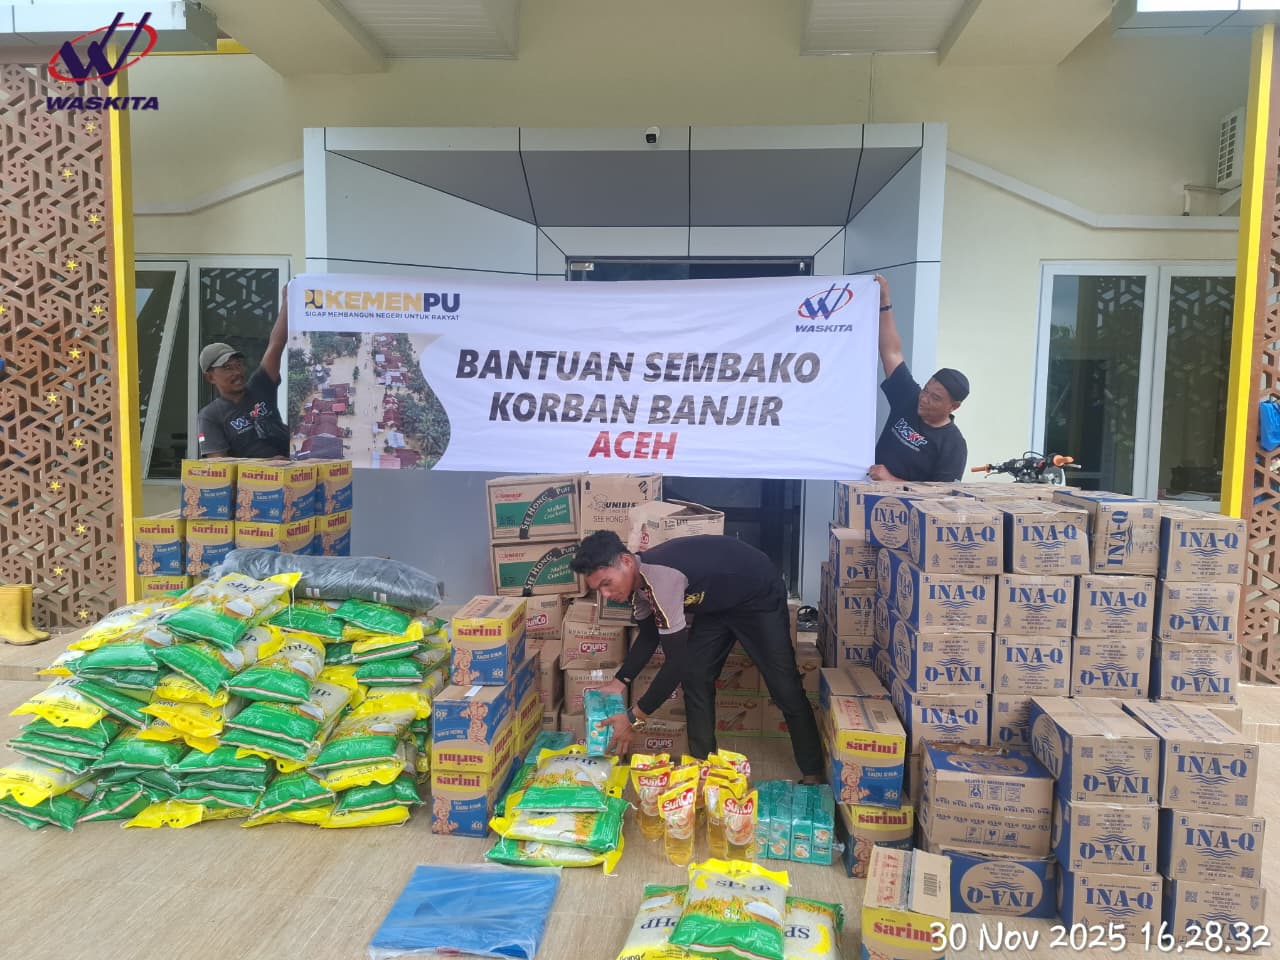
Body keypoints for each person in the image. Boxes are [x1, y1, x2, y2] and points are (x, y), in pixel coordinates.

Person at [569, 529, 824, 784]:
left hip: (757, 594)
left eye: (606, 583)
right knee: (695, 676)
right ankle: (703, 768)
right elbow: (648, 636)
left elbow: (676, 663)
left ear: (626, 561)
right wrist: (620, 681)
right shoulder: (638, 587)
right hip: (716, 604)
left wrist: (634, 717)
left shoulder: (661, 579)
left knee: (785, 687)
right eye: (598, 589)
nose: (605, 594)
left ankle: (812, 772)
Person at [868, 274, 969, 482]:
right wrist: (884, 302)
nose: (924, 399)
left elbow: (941, 495)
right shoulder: (909, 398)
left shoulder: (953, 444)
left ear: (954, 407)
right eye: (926, 390)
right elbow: (891, 352)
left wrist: (891, 480)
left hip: (903, 503)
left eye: (935, 398)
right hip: (866, 493)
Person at [197, 293, 290, 459]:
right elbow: (219, 466)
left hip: (292, 470)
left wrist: (287, 301)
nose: (237, 372)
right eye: (227, 368)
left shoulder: (260, 385)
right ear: (210, 377)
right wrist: (269, 465)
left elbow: (276, 345)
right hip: (257, 476)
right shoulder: (210, 416)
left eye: (238, 365)